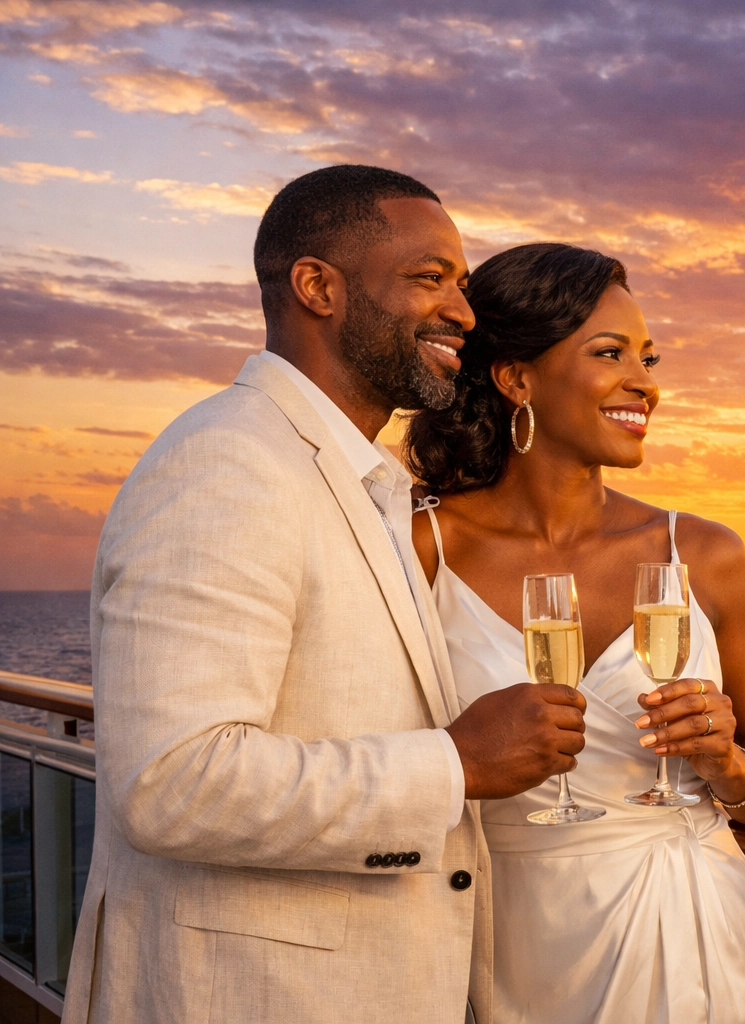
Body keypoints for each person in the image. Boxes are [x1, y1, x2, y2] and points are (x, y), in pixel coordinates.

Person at [66, 166, 590, 1024]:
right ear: (317, 287)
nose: (463, 311)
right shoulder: (228, 462)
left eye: (462, 283)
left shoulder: (365, 477)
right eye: (431, 278)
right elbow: (171, 782)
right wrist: (454, 763)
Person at [406, 242, 745, 1023]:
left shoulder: (706, 554)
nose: (645, 384)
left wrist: (725, 763)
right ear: (516, 377)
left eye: (647, 358)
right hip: (513, 945)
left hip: (700, 938)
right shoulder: (422, 549)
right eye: (610, 353)